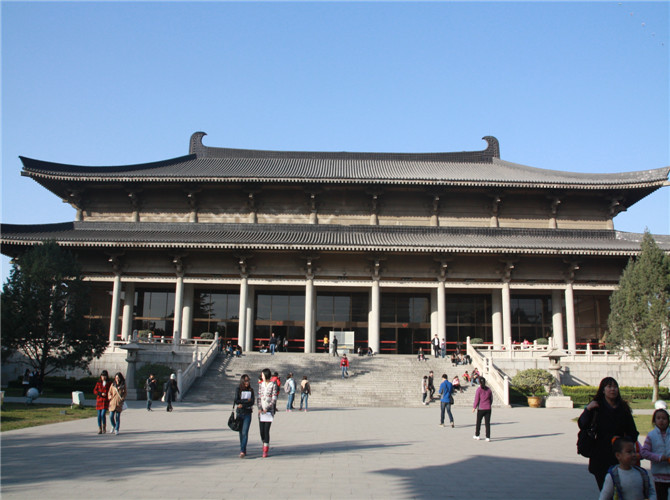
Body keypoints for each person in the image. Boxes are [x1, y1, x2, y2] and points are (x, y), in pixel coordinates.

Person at [578, 376, 639, 490]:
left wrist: (623, 442)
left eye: (615, 387)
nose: (613, 389)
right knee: (605, 490)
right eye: (609, 386)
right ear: (603, 390)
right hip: (600, 454)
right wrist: (588, 409)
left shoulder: (623, 408)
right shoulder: (596, 406)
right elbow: (582, 424)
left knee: (620, 490)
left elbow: (633, 432)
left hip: (619, 455)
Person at [641, 408, 670, 500]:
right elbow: (644, 452)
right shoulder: (651, 435)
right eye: (658, 418)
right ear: (654, 421)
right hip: (658, 475)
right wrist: (659, 457)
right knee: (661, 496)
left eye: (664, 418)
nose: (661, 420)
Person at [257, 368, 278, 458]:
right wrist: (260, 408)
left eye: (262, 375)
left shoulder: (273, 385)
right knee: (261, 430)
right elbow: (259, 397)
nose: (261, 376)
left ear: (266, 375)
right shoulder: (261, 385)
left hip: (269, 411)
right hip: (261, 411)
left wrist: (268, 408)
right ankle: (264, 442)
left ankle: (265, 449)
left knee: (266, 430)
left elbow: (274, 398)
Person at [234, 374, 255, 458]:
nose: (247, 382)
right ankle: (243, 448)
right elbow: (236, 400)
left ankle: (242, 450)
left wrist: (242, 403)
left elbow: (252, 402)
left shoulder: (251, 390)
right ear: (242, 381)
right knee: (240, 433)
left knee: (245, 432)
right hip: (239, 413)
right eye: (246, 381)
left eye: (248, 380)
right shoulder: (238, 389)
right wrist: (246, 401)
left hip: (247, 413)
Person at [472, 376, 493, 441]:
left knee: (478, 422)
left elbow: (477, 399)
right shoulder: (489, 389)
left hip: (481, 408)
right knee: (487, 423)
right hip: (488, 408)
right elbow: (491, 399)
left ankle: (477, 435)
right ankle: (488, 437)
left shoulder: (479, 389)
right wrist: (489, 404)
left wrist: (474, 407)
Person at [93, 370, 110, 434]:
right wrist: (100, 393)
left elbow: (110, 391)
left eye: (105, 376)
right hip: (99, 401)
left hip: (105, 401)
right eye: (102, 376)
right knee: (99, 415)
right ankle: (99, 428)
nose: (104, 377)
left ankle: (104, 426)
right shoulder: (98, 383)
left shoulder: (109, 383)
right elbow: (95, 391)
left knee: (103, 414)